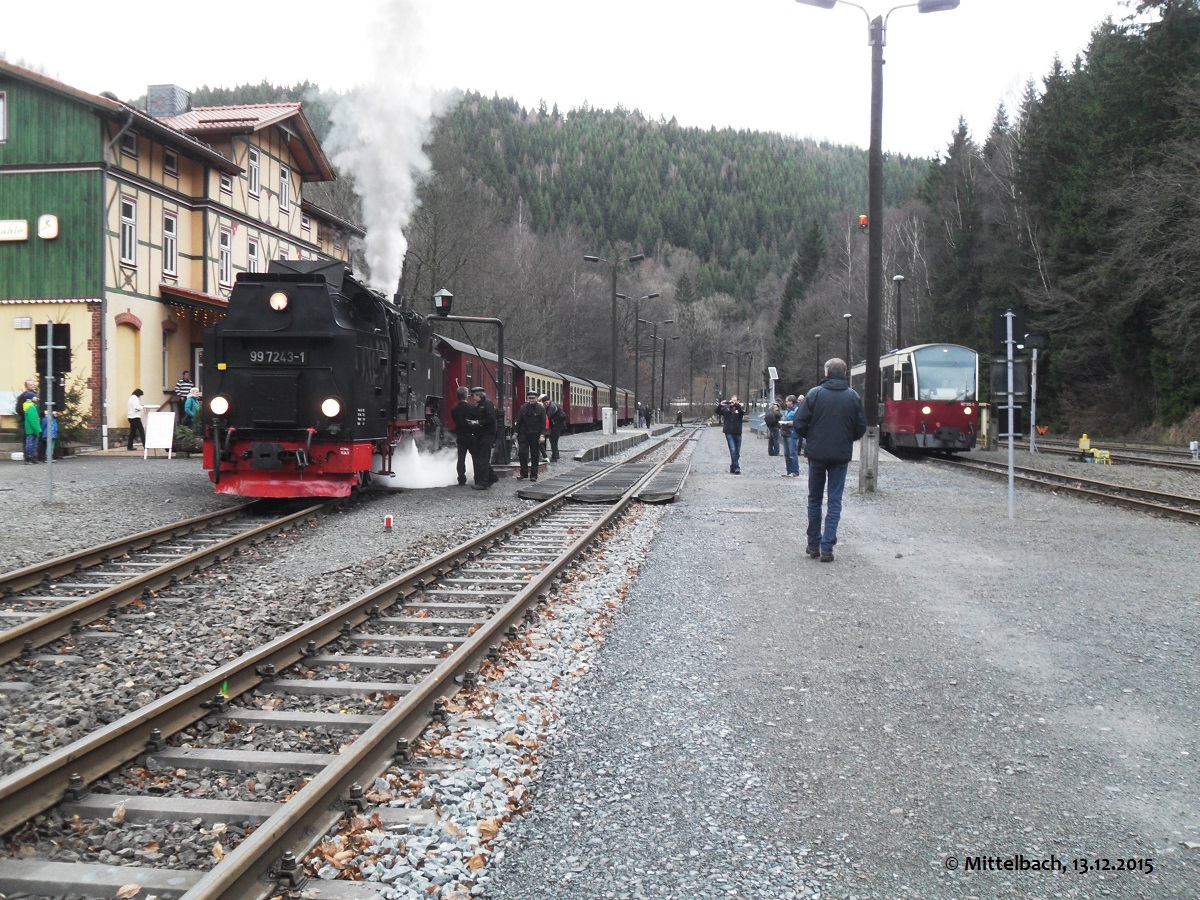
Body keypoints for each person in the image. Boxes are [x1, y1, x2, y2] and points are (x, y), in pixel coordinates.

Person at [794, 359, 867, 562]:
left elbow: (799, 422)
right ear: (844, 373)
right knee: (835, 500)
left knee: (814, 499)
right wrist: (845, 438)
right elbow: (861, 427)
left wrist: (812, 436)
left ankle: (813, 544)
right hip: (840, 455)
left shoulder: (815, 394)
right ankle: (827, 547)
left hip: (817, 454)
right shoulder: (852, 396)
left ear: (826, 372)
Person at [469, 386, 498, 490]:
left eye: (474, 396)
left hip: (487, 434)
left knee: (483, 458)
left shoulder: (487, 404)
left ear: (479, 396)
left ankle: (483, 482)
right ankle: (491, 477)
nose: (473, 398)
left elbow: (491, 418)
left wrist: (478, 422)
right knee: (482, 457)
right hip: (481, 434)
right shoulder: (480, 405)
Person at [516, 390, 546, 482]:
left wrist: (542, 435)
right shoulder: (523, 408)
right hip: (524, 433)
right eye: (530, 398)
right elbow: (519, 421)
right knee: (522, 453)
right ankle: (523, 473)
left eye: (533, 398)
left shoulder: (541, 409)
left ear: (537, 398)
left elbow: (543, 423)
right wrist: (515, 432)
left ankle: (533, 475)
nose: (531, 400)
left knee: (535, 455)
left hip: (535, 434)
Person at [713, 395, 746, 474]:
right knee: (732, 449)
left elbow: (742, 413)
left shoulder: (740, 408)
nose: (733, 402)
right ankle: (737, 467)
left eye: (735, 400)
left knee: (737, 452)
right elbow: (717, 411)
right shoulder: (727, 409)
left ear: (738, 401)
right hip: (729, 432)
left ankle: (732, 466)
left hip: (738, 432)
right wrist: (720, 405)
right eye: (732, 400)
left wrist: (736, 405)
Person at [449, 386, 475, 486]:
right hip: (470, 434)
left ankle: (461, 478)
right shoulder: (471, 408)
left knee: (461, 458)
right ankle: (477, 476)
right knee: (475, 457)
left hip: (460, 435)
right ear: (466, 396)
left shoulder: (454, 409)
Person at [781, 394, 802, 478]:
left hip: (792, 433)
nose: (786, 403)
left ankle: (795, 471)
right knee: (786, 453)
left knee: (792, 453)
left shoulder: (796, 410)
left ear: (791, 402)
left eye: (787, 401)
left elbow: (798, 421)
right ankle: (789, 471)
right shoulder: (787, 410)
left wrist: (789, 423)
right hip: (785, 432)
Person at [544, 394, 567, 461]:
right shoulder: (550, 405)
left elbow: (548, 416)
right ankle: (555, 455)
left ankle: (555, 456)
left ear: (549, 401)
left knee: (553, 440)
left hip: (557, 425)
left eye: (546, 402)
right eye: (544, 403)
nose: (546, 404)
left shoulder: (552, 406)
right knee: (553, 440)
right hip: (555, 425)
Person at [22, 391, 42, 464]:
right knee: (31, 444)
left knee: (31, 443)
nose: (36, 398)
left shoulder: (31, 406)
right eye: (35, 396)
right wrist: (37, 429)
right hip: (32, 429)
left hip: (31, 429)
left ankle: (31, 457)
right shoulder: (30, 407)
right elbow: (33, 420)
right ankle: (29, 457)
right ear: (31, 398)